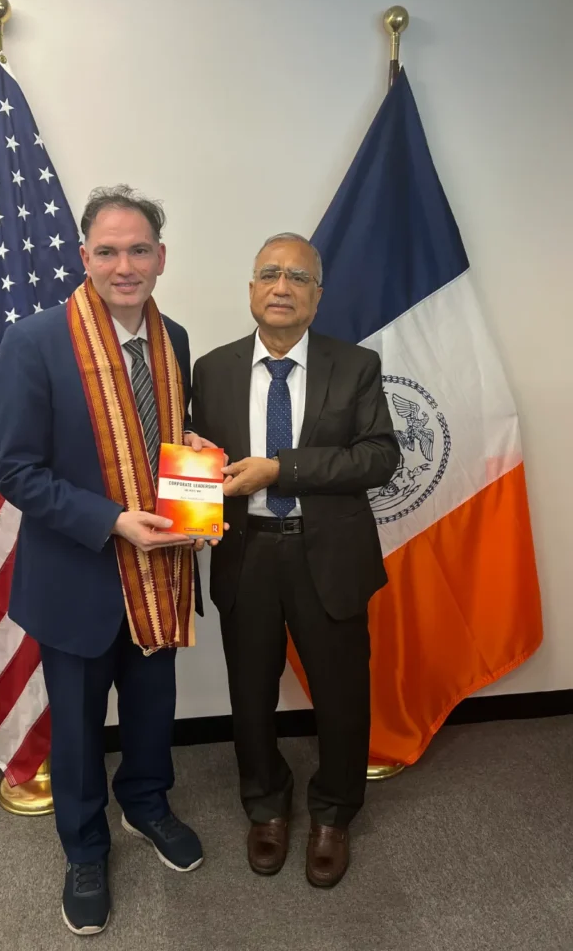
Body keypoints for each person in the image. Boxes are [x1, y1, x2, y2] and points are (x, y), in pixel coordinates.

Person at [0, 186, 216, 936]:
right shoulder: (34, 341)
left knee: (153, 709)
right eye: (110, 251)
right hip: (78, 575)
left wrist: (195, 453)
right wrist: (113, 521)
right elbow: (15, 472)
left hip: (160, 571)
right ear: (84, 257)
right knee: (80, 727)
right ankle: (85, 848)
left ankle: (146, 804)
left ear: (161, 257)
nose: (126, 266)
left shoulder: (173, 336)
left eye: (139, 249)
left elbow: (162, 434)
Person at [191, 232, 400, 888]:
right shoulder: (212, 369)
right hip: (244, 553)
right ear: (252, 288)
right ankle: (266, 804)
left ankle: (334, 811)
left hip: (329, 554)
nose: (282, 287)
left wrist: (282, 470)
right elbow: (201, 459)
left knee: (342, 694)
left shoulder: (356, 365)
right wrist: (191, 503)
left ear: (317, 295)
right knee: (250, 694)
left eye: (298, 277)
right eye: (270, 274)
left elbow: (380, 457)